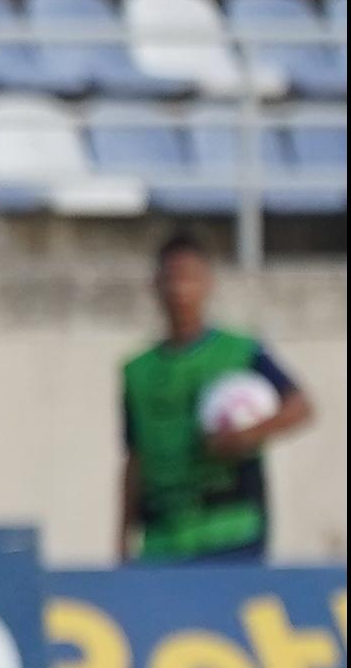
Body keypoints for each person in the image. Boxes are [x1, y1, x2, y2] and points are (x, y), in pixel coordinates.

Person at [120, 231, 315, 564]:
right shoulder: (137, 371)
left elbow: (300, 406)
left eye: (190, 278)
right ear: (155, 285)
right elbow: (134, 459)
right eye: (172, 278)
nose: (180, 290)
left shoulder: (240, 352)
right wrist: (122, 542)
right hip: (163, 539)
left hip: (232, 530)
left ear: (208, 284)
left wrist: (246, 435)